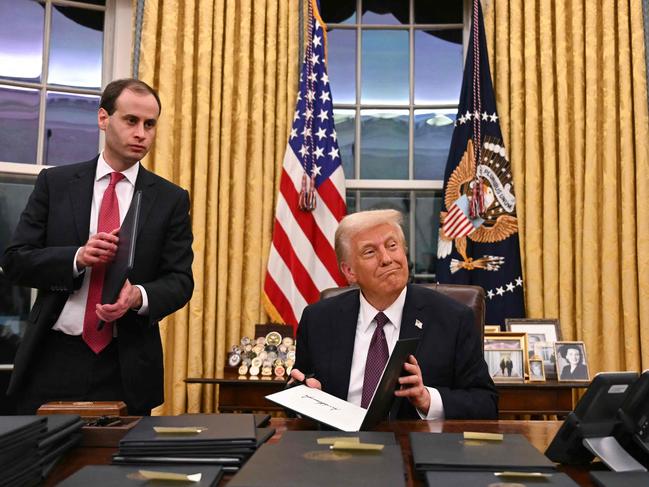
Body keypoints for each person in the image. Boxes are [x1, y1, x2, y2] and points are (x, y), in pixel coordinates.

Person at [1, 78, 194, 415]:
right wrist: (76, 257)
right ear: (104, 119)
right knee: (46, 466)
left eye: (150, 124)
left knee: (118, 468)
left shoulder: (170, 200)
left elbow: (180, 281)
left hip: (126, 364)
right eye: (131, 121)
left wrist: (138, 296)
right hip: (53, 356)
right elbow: (15, 260)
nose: (141, 133)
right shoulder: (56, 184)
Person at [290, 209, 498, 420]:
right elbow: (297, 391)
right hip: (337, 446)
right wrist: (302, 395)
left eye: (392, 246)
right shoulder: (318, 320)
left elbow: (486, 403)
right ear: (349, 271)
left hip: (416, 448)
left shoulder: (453, 318)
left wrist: (427, 399)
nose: (387, 259)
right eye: (370, 252)